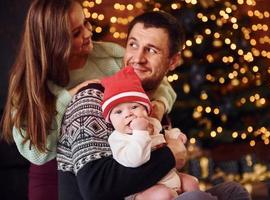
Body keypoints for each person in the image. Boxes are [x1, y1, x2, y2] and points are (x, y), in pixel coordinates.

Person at [57, 10, 251, 200]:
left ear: (173, 61)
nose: (138, 58)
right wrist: (169, 156)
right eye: (133, 45)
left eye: (151, 50)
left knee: (233, 191)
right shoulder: (94, 99)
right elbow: (95, 188)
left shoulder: (152, 106)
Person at [0, 0, 177, 200]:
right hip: (54, 174)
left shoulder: (109, 57)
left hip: (110, 165)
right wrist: (69, 97)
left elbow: (160, 84)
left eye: (86, 23)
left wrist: (159, 107)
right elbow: (36, 153)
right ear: (53, 41)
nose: (88, 33)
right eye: (76, 33)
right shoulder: (28, 82)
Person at [101, 66, 200, 199]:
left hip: (169, 176)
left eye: (134, 107)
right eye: (118, 112)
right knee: (165, 194)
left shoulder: (153, 123)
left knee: (192, 183)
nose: (128, 114)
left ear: (146, 110)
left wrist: (176, 136)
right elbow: (135, 160)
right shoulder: (118, 139)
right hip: (145, 188)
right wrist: (140, 132)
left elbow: (164, 135)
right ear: (110, 121)